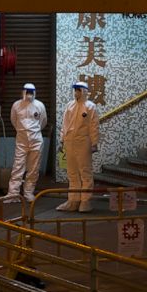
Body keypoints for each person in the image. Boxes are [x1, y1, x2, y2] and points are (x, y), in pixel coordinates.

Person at [57, 81, 100, 212]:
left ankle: (85, 201)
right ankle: (73, 200)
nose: (76, 92)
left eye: (78, 90)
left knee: (85, 171)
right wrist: (62, 140)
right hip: (70, 141)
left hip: (83, 142)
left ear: (84, 91)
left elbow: (94, 126)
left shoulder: (90, 107)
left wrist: (94, 143)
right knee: (72, 172)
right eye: (75, 90)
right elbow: (64, 124)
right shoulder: (70, 106)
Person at [7, 83, 47, 202]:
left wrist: (33, 132)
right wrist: (23, 131)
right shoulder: (16, 105)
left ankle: (28, 192)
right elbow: (13, 120)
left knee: (33, 168)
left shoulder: (39, 105)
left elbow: (43, 121)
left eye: (31, 92)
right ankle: (13, 193)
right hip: (21, 141)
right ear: (23, 92)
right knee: (17, 166)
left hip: (36, 140)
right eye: (27, 92)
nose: (29, 94)